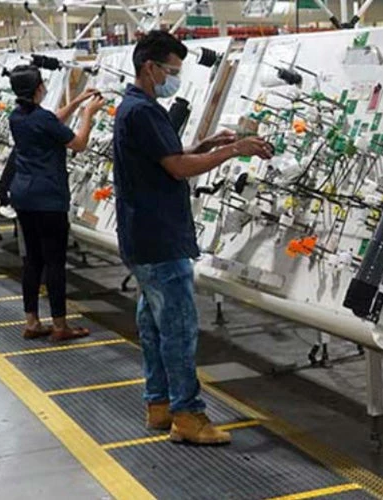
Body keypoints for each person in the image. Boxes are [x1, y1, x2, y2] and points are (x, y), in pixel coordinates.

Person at [113, 30, 272, 445]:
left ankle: (159, 403)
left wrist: (208, 144)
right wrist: (235, 150)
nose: (174, 79)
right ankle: (189, 416)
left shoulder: (138, 108)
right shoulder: (143, 111)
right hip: (160, 239)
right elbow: (179, 168)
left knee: (152, 324)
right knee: (179, 328)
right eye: (171, 71)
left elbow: (167, 157)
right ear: (150, 67)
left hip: (142, 236)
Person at [7, 65, 105, 341]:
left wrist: (75, 102)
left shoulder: (18, 117)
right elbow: (79, 144)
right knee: (54, 262)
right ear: (39, 88)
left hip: (24, 196)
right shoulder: (42, 119)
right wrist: (88, 114)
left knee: (32, 261)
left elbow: (51, 122)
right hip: (48, 198)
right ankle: (61, 326)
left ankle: (32, 322)